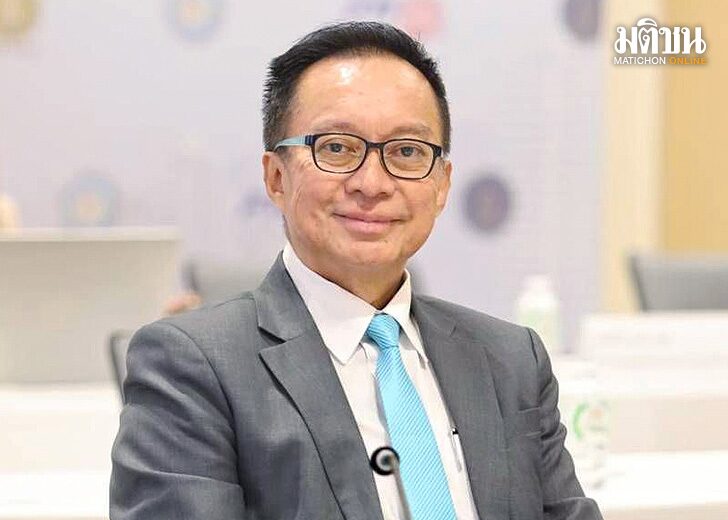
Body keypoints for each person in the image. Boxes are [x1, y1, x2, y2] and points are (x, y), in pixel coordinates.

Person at [110, 21, 603, 520]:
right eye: (337, 148)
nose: (372, 183)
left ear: (442, 185)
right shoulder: (192, 367)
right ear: (276, 177)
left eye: (407, 152)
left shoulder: (511, 359)